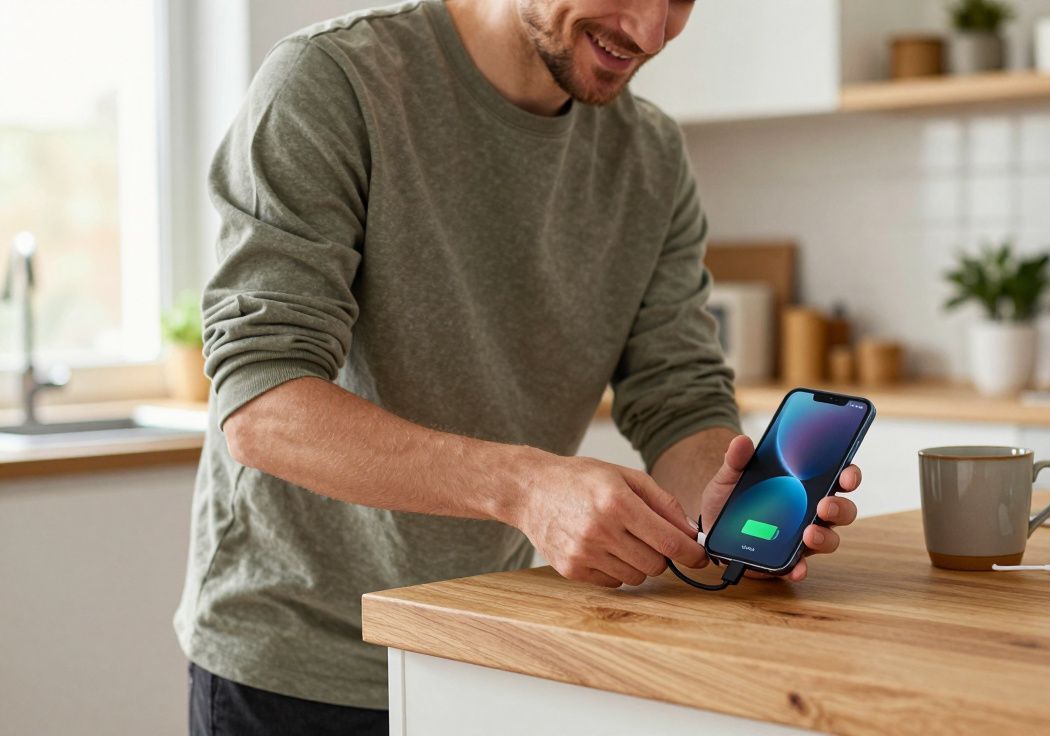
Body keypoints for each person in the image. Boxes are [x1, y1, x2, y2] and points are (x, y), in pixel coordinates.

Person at [176, 1, 865, 734]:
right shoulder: (336, 80)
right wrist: (527, 488)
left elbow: (679, 399)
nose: (653, 31)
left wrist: (716, 522)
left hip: (487, 650)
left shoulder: (651, 154)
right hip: (300, 666)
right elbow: (262, 406)